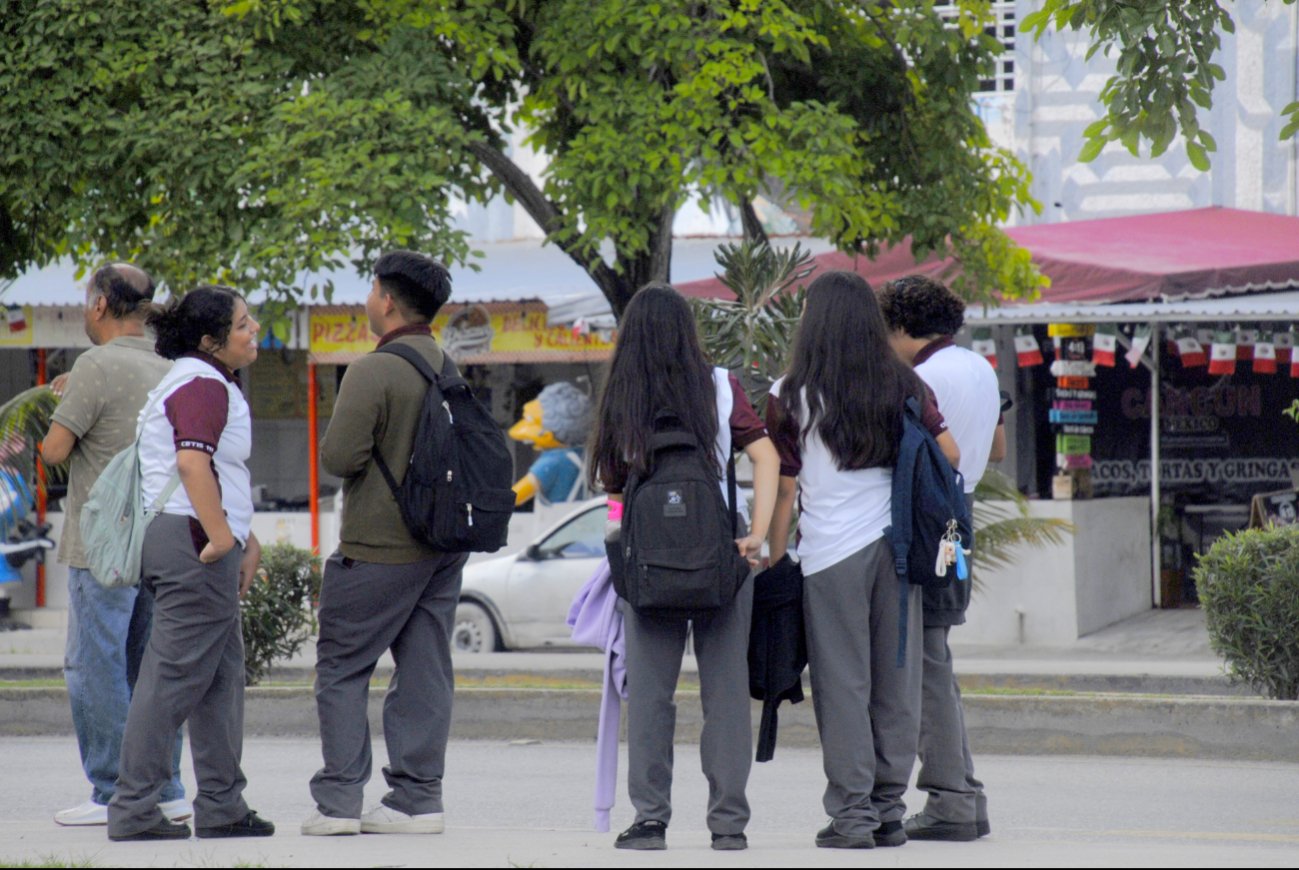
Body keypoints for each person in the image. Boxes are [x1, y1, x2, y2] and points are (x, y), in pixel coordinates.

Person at [766, 270, 957, 850]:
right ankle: (888, 811)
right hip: (896, 550)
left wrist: (774, 554)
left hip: (829, 557)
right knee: (897, 680)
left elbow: (783, 484)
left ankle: (852, 818)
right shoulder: (902, 381)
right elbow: (948, 452)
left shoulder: (791, 391)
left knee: (842, 684)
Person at [588, 283, 780, 852]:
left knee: (650, 695)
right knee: (725, 696)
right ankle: (728, 825)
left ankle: (650, 819)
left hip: (648, 563)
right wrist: (757, 536)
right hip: (722, 557)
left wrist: (620, 547)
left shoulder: (625, 393)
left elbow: (614, 489)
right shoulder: (721, 386)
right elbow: (764, 456)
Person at [302, 250, 466, 837]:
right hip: (443, 548)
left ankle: (341, 802)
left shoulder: (374, 369)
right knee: (424, 668)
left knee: (343, 666)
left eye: (371, 289)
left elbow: (339, 457)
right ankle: (417, 801)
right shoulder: (448, 365)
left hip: (378, 546)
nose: (367, 299)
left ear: (388, 300)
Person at [107, 286, 271, 842]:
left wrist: (244, 539)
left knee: (221, 678)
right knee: (170, 680)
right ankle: (133, 810)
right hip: (193, 544)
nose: (254, 330)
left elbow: (213, 471)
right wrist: (223, 537)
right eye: (243, 324)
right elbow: (191, 462)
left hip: (190, 536)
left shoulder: (195, 377)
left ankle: (223, 803)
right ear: (210, 340)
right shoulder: (201, 382)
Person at [40, 264, 189, 828]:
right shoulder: (169, 367)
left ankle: (112, 790)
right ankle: (166, 786)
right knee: (151, 667)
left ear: (100, 305)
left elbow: (55, 450)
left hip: (102, 546)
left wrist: (63, 406)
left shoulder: (93, 365)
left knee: (94, 666)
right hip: (159, 540)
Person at [880, 274, 1005, 842]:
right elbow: (998, 449)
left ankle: (952, 800)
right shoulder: (980, 366)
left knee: (926, 664)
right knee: (937, 659)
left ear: (903, 327)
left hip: (927, 515)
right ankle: (965, 794)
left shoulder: (918, 376)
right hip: (963, 509)